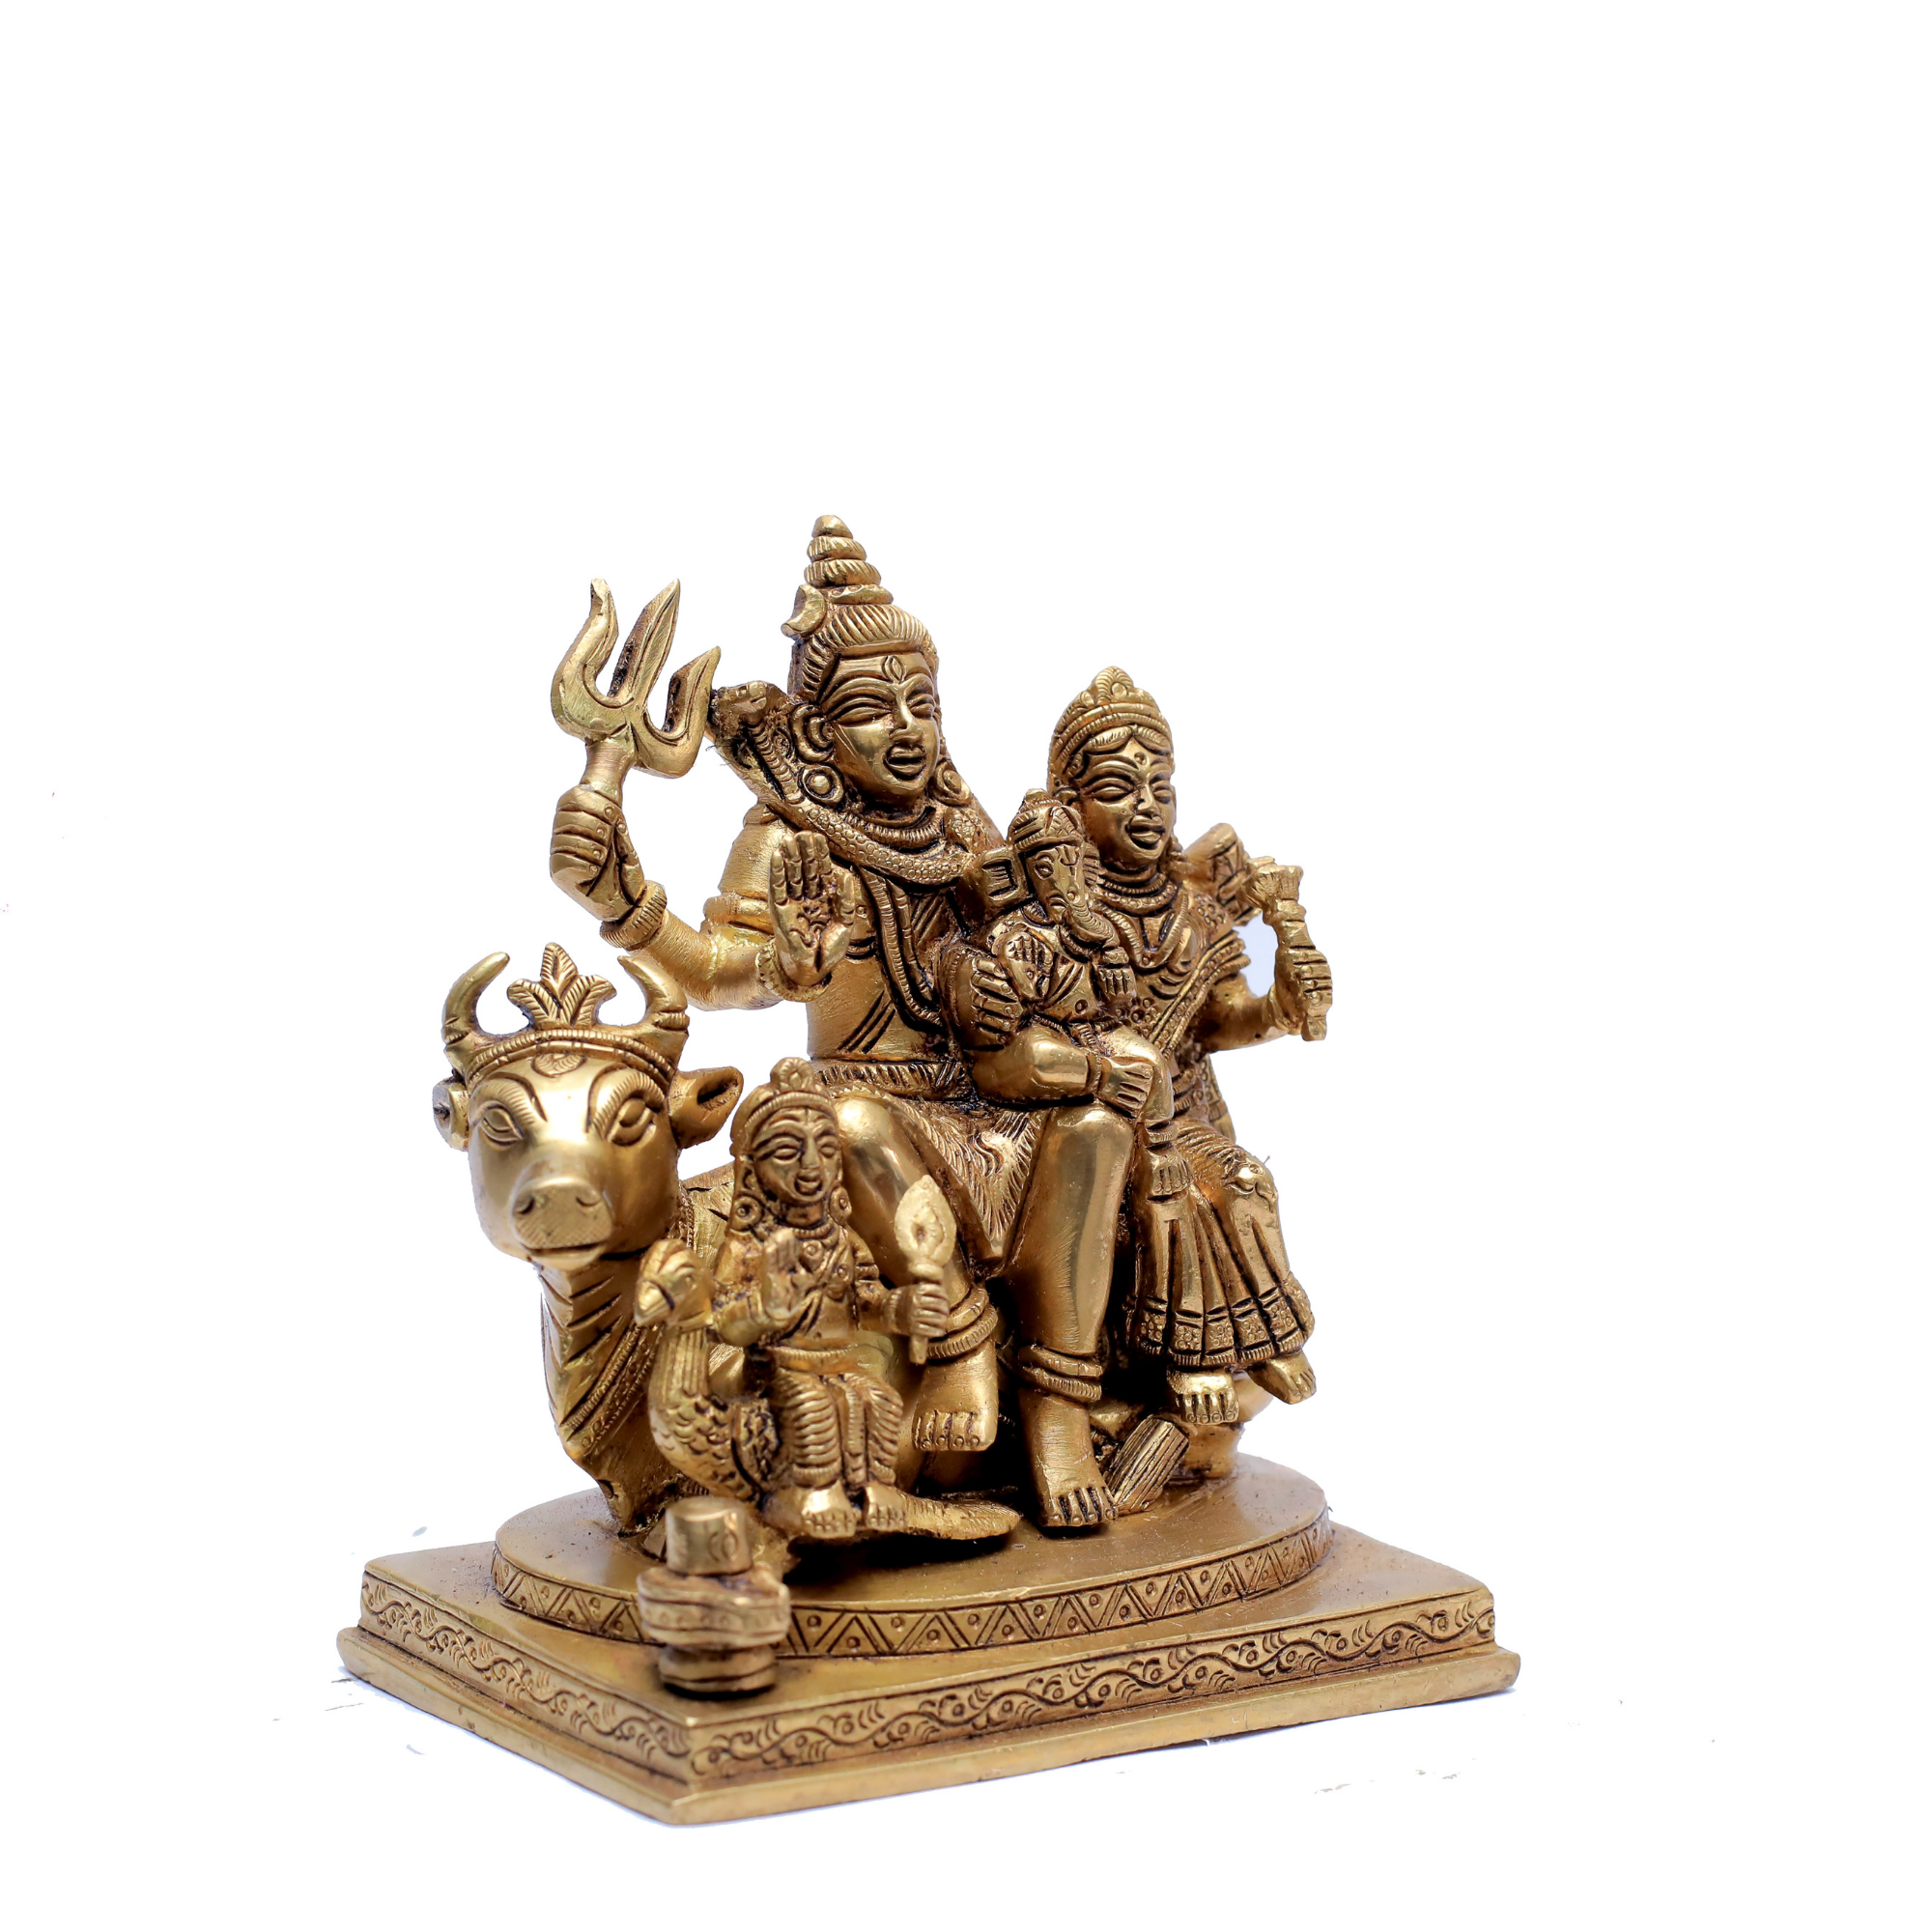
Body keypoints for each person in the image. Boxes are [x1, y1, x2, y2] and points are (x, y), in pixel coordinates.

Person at [550, 518, 1137, 1526]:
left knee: (1096, 1128)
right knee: (851, 1126)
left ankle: (1057, 1404)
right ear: (818, 737)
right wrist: (629, 905)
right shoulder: (787, 840)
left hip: (978, 1095)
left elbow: (1032, 945)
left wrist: (1035, 973)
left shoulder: (961, 830)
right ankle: (957, 1341)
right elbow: (720, 971)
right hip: (866, 1107)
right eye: (872, 708)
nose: (907, 728)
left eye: (923, 704)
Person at [1044, 667, 1329, 1421]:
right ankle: (1186, 1355)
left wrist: (1280, 1004)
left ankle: (1260, 1335)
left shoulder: (1193, 910)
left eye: (1160, 786)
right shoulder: (1061, 913)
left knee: (1244, 1181)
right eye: (1118, 788)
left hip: (1189, 1109)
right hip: (1101, 1117)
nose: (1147, 805)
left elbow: (1224, 1019)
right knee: (1175, 1195)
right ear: (1070, 807)